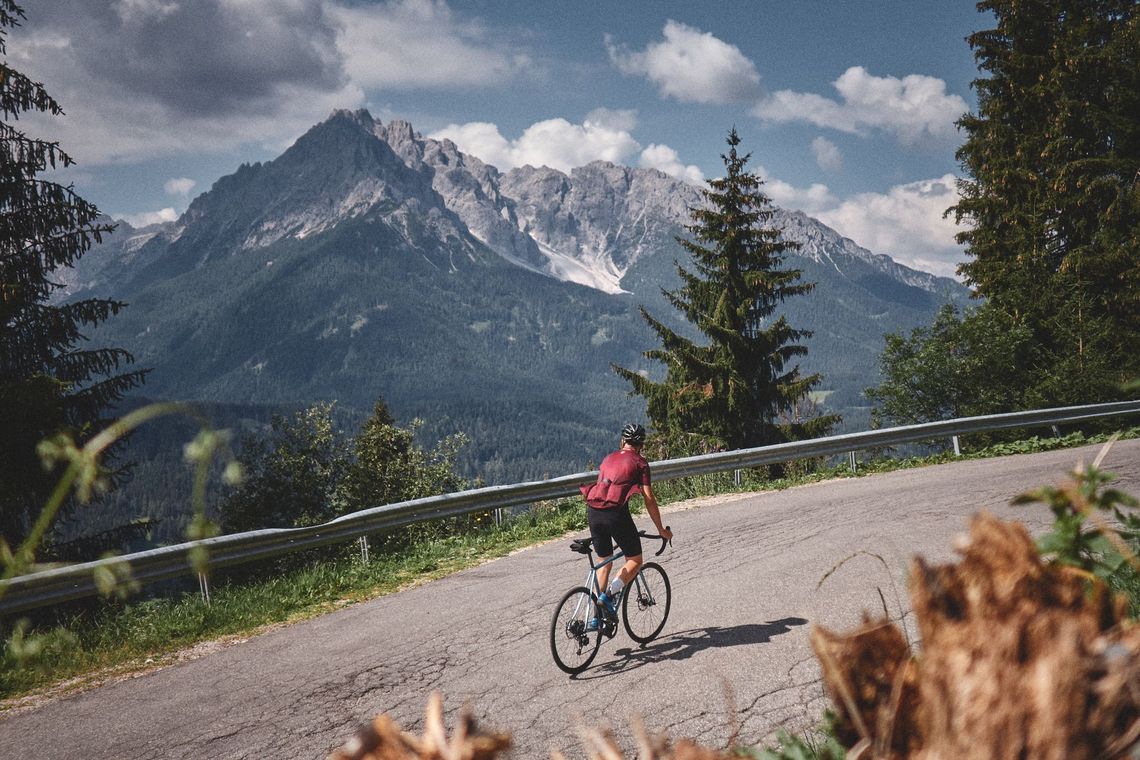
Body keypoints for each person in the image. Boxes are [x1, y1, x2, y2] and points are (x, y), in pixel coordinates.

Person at [580, 423, 673, 629]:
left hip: (593, 511)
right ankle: (608, 596)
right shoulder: (640, 463)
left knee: (604, 561)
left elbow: (603, 489)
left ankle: (595, 618)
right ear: (641, 445)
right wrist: (661, 530)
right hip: (615, 514)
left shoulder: (608, 458)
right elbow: (649, 498)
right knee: (635, 559)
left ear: (623, 441)